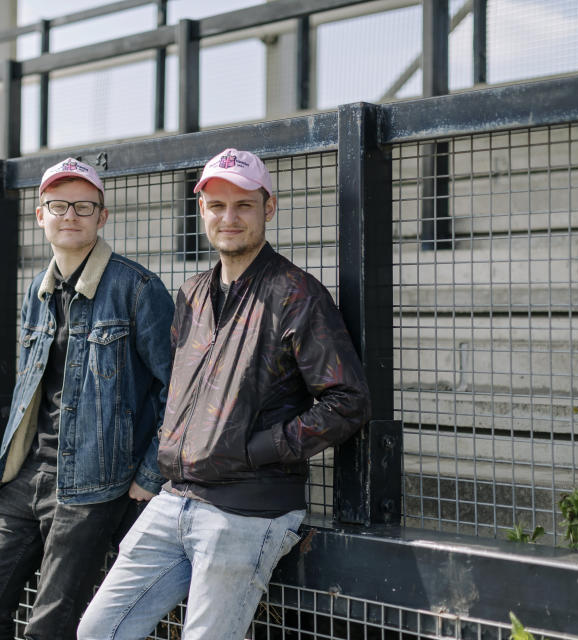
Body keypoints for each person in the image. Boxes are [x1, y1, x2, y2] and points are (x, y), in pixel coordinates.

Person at [78, 148, 372, 640]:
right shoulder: (192, 293)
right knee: (98, 631)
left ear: (268, 209)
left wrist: (257, 450)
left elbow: (348, 400)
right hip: (175, 500)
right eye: (217, 205)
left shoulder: (295, 293)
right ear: (202, 212)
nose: (228, 217)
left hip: (247, 511)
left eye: (243, 205)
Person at [0, 157, 174, 640]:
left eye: (83, 206)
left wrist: (149, 474)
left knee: (49, 628)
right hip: (22, 475)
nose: (70, 215)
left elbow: (178, 390)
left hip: (93, 484)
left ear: (102, 216)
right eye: (58, 205)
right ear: (41, 216)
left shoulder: (137, 289)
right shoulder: (37, 289)